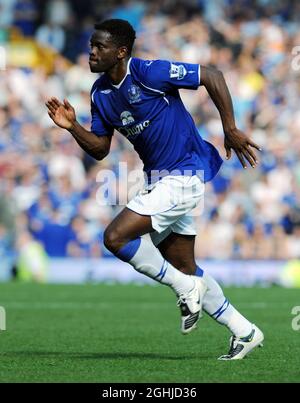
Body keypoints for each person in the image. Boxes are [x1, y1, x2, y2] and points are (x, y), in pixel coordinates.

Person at [46, 19, 264, 360]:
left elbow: (211, 75)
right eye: (90, 45)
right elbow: (101, 149)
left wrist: (230, 128)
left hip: (185, 173)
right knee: (186, 267)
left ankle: (184, 288)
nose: (91, 52)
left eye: (99, 47)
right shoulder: (99, 93)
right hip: (159, 179)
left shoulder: (148, 72)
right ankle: (245, 331)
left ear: (120, 52)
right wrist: (72, 126)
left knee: (115, 237)